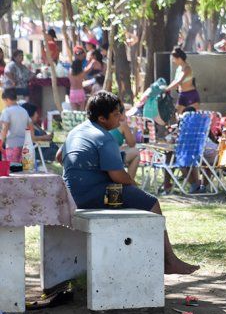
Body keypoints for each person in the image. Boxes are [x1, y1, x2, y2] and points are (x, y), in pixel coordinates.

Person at [57, 91, 198, 274]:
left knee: (134, 196)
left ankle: (161, 258)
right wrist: (133, 183)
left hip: (71, 195)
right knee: (151, 202)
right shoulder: (103, 137)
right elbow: (118, 176)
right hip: (95, 196)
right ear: (102, 118)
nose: (121, 117)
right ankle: (168, 260)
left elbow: (59, 157)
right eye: (116, 114)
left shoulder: (76, 131)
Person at [0, 89, 34, 163]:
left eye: (4, 101)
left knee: (12, 169)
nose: (5, 104)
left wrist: (1, 142)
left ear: (7, 99)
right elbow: (31, 126)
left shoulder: (6, 111)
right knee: (20, 169)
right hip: (24, 145)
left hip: (12, 144)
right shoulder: (24, 111)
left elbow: (5, 128)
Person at [108, 108, 141, 180]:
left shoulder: (106, 121)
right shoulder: (122, 124)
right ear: (120, 114)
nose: (126, 116)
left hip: (101, 156)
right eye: (125, 114)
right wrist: (135, 130)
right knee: (136, 153)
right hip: (112, 158)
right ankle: (129, 184)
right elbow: (132, 144)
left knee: (127, 150)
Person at [166, 47, 200, 113]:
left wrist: (167, 89)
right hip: (182, 94)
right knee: (177, 115)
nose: (173, 61)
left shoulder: (187, 68)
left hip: (191, 95)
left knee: (192, 115)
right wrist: (167, 88)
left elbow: (179, 81)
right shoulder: (178, 68)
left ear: (179, 58)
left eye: (174, 58)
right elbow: (175, 80)